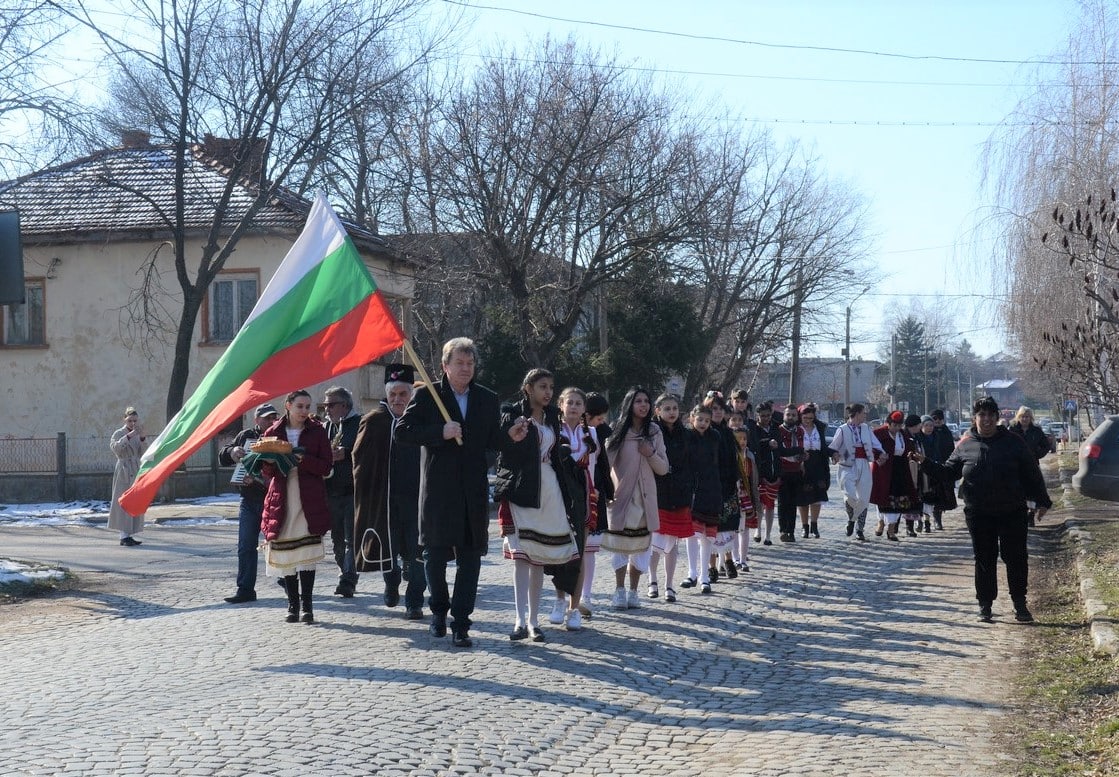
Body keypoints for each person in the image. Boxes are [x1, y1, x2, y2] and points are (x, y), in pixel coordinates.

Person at [395, 337, 519, 648]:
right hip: (438, 492)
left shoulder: (487, 399)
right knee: (434, 557)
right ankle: (438, 610)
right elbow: (403, 432)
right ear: (445, 366)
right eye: (459, 363)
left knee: (470, 559)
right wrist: (440, 432)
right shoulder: (428, 396)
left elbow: (493, 442)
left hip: (472, 492)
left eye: (470, 363)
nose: (466, 368)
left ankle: (461, 622)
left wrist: (510, 437)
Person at [917, 396, 1052, 623]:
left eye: (991, 415)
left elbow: (1032, 474)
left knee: (1016, 558)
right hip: (979, 513)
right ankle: (985, 606)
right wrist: (925, 462)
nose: (986, 420)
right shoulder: (966, 444)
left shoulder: (1014, 442)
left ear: (997, 418)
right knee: (984, 558)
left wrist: (1043, 501)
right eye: (982, 415)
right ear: (975, 418)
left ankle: (1020, 604)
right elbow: (949, 473)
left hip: (1012, 511)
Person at [495, 369, 579, 642]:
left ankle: (534, 621)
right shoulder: (511, 412)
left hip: (549, 488)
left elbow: (555, 455)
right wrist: (513, 434)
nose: (548, 392)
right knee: (522, 556)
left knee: (539, 557)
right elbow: (503, 450)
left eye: (551, 387)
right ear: (528, 387)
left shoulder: (553, 416)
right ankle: (519, 620)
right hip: (522, 487)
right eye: (543, 386)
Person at [351, 364, 426, 620]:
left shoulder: (422, 421)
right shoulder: (374, 421)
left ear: (411, 395)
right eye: (393, 394)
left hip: (417, 501)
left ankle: (415, 601)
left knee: (417, 553)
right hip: (385, 501)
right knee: (388, 549)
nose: (397, 399)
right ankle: (392, 581)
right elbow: (359, 460)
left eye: (403, 394)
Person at [259, 390, 333, 624]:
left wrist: (304, 460)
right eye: (300, 406)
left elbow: (326, 466)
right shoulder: (274, 432)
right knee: (288, 555)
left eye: (307, 406)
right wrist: (270, 462)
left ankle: (308, 607)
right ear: (288, 406)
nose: (304, 411)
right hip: (283, 497)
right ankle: (293, 604)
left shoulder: (317, 431)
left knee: (306, 554)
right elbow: (266, 472)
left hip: (308, 497)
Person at [603, 387, 669, 609]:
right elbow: (606, 465)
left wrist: (649, 452)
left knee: (641, 550)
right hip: (621, 499)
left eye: (646, 401)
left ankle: (633, 592)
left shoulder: (654, 432)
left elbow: (663, 468)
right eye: (638, 401)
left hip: (646, 500)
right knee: (620, 548)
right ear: (629, 404)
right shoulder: (618, 430)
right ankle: (619, 590)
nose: (643, 405)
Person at [547, 386, 602, 630]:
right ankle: (559, 600)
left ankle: (574, 608)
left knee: (579, 550)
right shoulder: (553, 430)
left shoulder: (591, 433)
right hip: (559, 494)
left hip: (584, 495)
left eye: (578, 404)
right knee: (560, 550)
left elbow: (595, 466)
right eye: (569, 403)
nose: (574, 407)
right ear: (561, 405)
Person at [218, 402, 279, 603]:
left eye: (273, 417)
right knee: (245, 545)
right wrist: (232, 451)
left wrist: (260, 479)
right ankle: (245, 589)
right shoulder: (246, 436)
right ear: (257, 420)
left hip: (273, 500)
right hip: (249, 499)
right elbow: (223, 456)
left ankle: (289, 583)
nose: (271, 421)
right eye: (267, 418)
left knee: (278, 544)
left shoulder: (280, 435)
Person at [648, 394, 694, 603]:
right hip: (658, 491)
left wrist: (689, 485)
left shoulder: (685, 434)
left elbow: (690, 462)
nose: (671, 412)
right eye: (666, 408)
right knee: (656, 540)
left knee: (673, 542)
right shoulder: (651, 431)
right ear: (657, 410)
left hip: (681, 492)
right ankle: (652, 580)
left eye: (674, 408)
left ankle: (669, 585)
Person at [323, 386, 361, 598]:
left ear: (344, 405)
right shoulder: (326, 426)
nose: (326, 409)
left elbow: (367, 451)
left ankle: (348, 579)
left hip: (353, 490)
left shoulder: (360, 423)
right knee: (337, 539)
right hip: (331, 490)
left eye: (331, 404)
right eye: (325, 405)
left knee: (351, 539)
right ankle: (344, 569)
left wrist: (345, 454)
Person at [578, 392, 614, 617]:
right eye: (598, 419)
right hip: (574, 494)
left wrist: (606, 490)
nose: (602, 423)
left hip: (595, 495)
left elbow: (604, 465)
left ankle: (586, 594)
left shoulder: (603, 434)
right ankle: (567, 597)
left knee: (590, 550)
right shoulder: (572, 431)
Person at [828, 403, 886, 542]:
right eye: (863, 413)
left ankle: (859, 528)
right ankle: (852, 519)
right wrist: (834, 455)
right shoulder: (842, 429)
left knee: (864, 498)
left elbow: (875, 443)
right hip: (847, 465)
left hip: (864, 464)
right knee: (849, 496)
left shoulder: (866, 428)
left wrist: (882, 453)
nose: (865, 415)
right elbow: (833, 446)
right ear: (857, 414)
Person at [870, 410, 919, 541]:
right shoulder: (878, 434)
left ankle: (891, 530)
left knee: (898, 501)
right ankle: (880, 522)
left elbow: (909, 449)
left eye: (899, 425)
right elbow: (870, 448)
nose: (897, 428)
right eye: (894, 425)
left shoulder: (902, 435)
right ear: (888, 423)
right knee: (882, 498)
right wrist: (878, 456)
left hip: (900, 470)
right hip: (883, 470)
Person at [109, 407, 147, 546]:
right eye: (130, 420)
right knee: (123, 501)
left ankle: (129, 534)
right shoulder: (118, 433)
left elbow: (143, 453)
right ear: (124, 420)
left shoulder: (138, 433)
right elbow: (116, 449)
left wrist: (142, 438)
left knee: (133, 501)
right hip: (123, 470)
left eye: (135, 421)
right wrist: (128, 437)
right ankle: (123, 535)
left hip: (135, 469)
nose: (133, 423)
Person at [1008, 406, 1051, 526]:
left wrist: (1037, 454)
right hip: (1015, 466)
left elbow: (1046, 445)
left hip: (1031, 465)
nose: (1024, 419)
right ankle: (1018, 515)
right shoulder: (1012, 429)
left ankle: (1031, 515)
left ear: (1031, 418)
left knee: (1032, 492)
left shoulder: (1036, 431)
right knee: (1017, 491)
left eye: (1027, 417)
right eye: (1022, 416)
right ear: (1018, 417)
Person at [747, 401, 782, 545]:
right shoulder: (754, 429)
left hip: (774, 473)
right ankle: (758, 530)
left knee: (770, 505)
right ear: (757, 416)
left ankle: (768, 535)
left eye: (768, 415)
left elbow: (781, 448)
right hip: (760, 472)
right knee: (759, 504)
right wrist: (766, 444)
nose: (765, 418)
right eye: (762, 416)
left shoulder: (775, 428)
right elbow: (754, 446)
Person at [796, 402, 830, 539]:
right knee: (803, 498)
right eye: (805, 418)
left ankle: (814, 525)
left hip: (818, 464)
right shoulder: (797, 429)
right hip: (802, 464)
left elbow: (824, 448)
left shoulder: (819, 428)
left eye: (811, 418)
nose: (808, 421)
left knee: (817, 497)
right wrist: (800, 460)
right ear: (801, 417)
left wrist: (832, 453)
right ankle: (805, 527)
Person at [775, 404, 806, 543]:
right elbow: (780, 451)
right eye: (788, 414)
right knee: (783, 502)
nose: (791, 417)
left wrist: (804, 456)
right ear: (784, 415)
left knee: (793, 503)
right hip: (783, 470)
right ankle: (783, 530)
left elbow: (802, 448)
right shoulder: (778, 430)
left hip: (796, 470)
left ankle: (791, 531)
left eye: (793, 415)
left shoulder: (800, 431)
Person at [926, 409, 958, 530]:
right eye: (935, 419)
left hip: (945, 467)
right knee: (933, 494)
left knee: (943, 496)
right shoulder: (929, 433)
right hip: (932, 467)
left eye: (940, 419)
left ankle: (938, 518)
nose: (938, 421)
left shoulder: (946, 432)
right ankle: (933, 519)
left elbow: (952, 449)